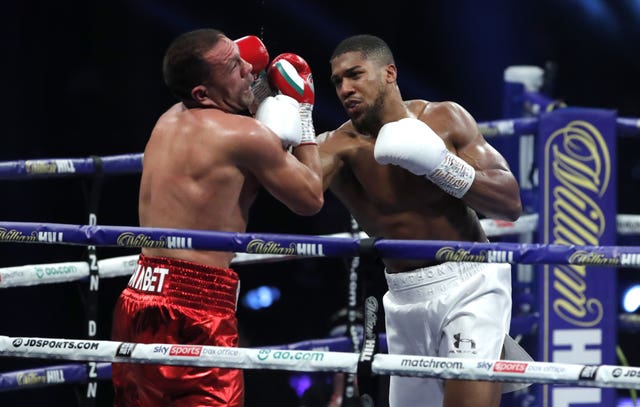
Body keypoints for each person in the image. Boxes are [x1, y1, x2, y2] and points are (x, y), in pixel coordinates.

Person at [110, 28, 322, 407]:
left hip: (138, 296)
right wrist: (302, 110)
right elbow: (310, 198)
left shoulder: (166, 121)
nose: (249, 67)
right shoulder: (246, 136)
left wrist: (255, 97)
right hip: (198, 307)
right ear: (202, 94)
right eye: (234, 65)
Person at [318, 34, 529, 407]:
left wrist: (441, 166)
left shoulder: (444, 118)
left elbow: (510, 203)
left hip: (471, 282)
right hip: (403, 297)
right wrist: (294, 122)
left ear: (389, 73)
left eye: (354, 75)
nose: (345, 89)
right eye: (337, 81)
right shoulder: (339, 147)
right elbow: (301, 195)